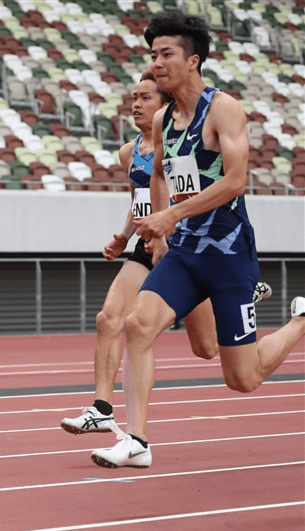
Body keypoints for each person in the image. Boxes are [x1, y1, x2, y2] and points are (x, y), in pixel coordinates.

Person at [91, 10, 305, 468]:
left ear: (194, 60)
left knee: (241, 378)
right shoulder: (163, 119)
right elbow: (159, 177)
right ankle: (137, 441)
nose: (157, 63)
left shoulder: (223, 108)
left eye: (166, 54)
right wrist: (160, 227)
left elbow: (235, 182)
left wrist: (170, 215)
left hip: (228, 254)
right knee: (137, 325)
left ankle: (301, 321)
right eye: (153, 54)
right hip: (185, 251)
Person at [60, 71, 272, 435]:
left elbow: (225, 180)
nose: (136, 105)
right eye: (134, 97)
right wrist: (127, 236)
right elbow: (138, 200)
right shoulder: (129, 152)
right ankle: (103, 408)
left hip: (190, 242)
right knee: (111, 319)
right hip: (152, 245)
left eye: (145, 98)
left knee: (206, 348)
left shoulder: (187, 135)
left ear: (165, 104)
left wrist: (171, 221)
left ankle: (241, 297)